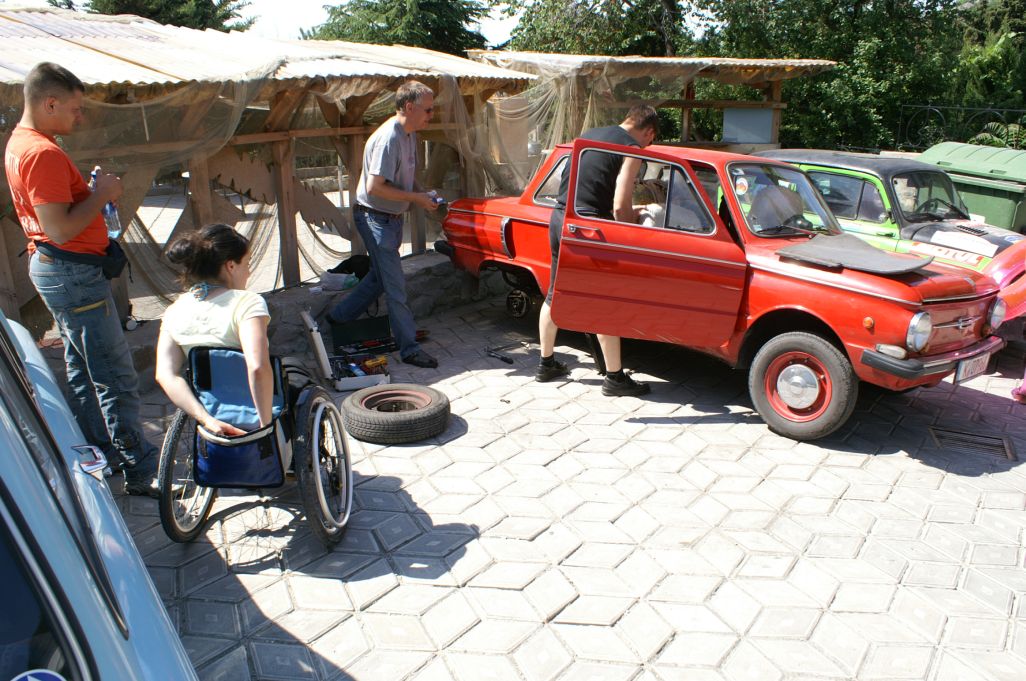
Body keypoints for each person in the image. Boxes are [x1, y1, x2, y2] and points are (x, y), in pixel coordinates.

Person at [4, 62, 158, 495]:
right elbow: (59, 228)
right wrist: (103, 194)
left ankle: (99, 454)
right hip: (72, 273)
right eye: (75, 109)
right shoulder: (42, 153)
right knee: (114, 374)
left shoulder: (23, 143)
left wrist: (88, 195)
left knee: (82, 368)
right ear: (50, 103)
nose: (80, 117)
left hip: (60, 271)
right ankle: (140, 467)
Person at [536, 105, 659, 397]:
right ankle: (615, 378)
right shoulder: (631, 149)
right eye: (650, 142)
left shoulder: (590, 135)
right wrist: (632, 226)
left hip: (561, 219)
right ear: (649, 132)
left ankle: (546, 363)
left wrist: (627, 209)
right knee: (605, 300)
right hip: (591, 228)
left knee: (555, 292)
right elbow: (619, 206)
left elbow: (588, 187)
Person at [326, 81, 440, 368]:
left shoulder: (409, 134)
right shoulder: (389, 138)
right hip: (374, 218)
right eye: (428, 110)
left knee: (380, 279)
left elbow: (406, 176)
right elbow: (375, 186)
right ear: (409, 107)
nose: (432, 115)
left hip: (389, 218)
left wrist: (422, 193)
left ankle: (338, 318)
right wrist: (416, 198)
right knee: (395, 285)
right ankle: (409, 349)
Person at [155, 224, 272, 436]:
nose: (249, 272)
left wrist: (207, 420)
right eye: (247, 263)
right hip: (254, 410)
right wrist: (265, 428)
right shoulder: (247, 302)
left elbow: (165, 374)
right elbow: (257, 367)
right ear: (231, 266)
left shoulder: (174, 311)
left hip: (212, 410)